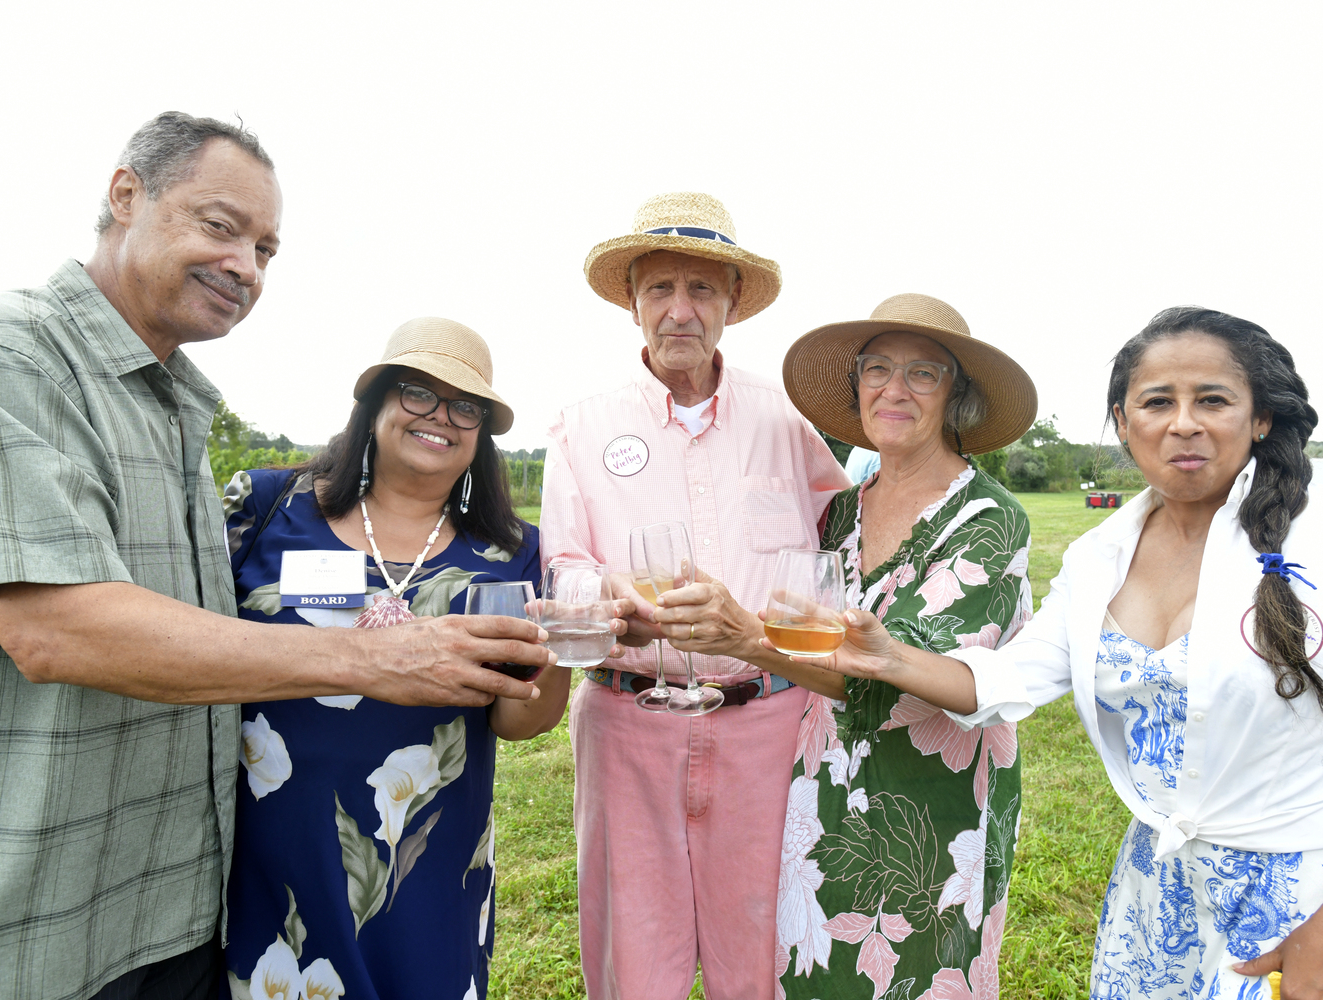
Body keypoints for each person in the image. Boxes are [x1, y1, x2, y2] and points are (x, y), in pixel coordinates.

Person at [0, 113, 550, 1000]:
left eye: (266, 248)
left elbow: (528, 711)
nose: (246, 267)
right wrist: (379, 654)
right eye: (221, 227)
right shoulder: (2, 357)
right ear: (124, 194)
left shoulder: (174, 407)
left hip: (175, 908)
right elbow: (56, 627)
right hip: (36, 916)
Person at [791, 307, 1323, 998]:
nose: (1183, 422)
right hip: (1155, 897)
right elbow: (1009, 678)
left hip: (1315, 910)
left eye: (1212, 399)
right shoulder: (1099, 559)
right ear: (1123, 422)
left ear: (1260, 417)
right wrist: (886, 656)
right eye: (1156, 402)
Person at [659, 293, 1038, 998]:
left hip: (930, 813)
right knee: (815, 972)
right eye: (878, 369)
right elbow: (811, 631)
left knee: (915, 977)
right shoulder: (840, 510)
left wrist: (750, 640)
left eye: (923, 373)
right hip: (825, 786)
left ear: (956, 397)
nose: (894, 389)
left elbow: (905, 679)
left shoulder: (991, 521)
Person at [539, 192, 850, 1000]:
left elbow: (840, 538)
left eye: (702, 289)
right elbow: (562, 564)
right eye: (660, 290)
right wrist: (602, 592)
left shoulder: (789, 420)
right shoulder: (582, 425)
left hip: (768, 721)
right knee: (635, 963)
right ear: (633, 302)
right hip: (628, 718)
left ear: (733, 303)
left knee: (766, 953)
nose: (681, 311)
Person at [220, 318, 576, 1000]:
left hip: (428, 867)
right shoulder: (265, 510)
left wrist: (558, 644)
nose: (441, 417)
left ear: (482, 435)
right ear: (375, 405)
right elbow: (194, 646)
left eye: (465, 406)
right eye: (417, 393)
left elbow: (519, 723)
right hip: (270, 860)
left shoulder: (514, 553)